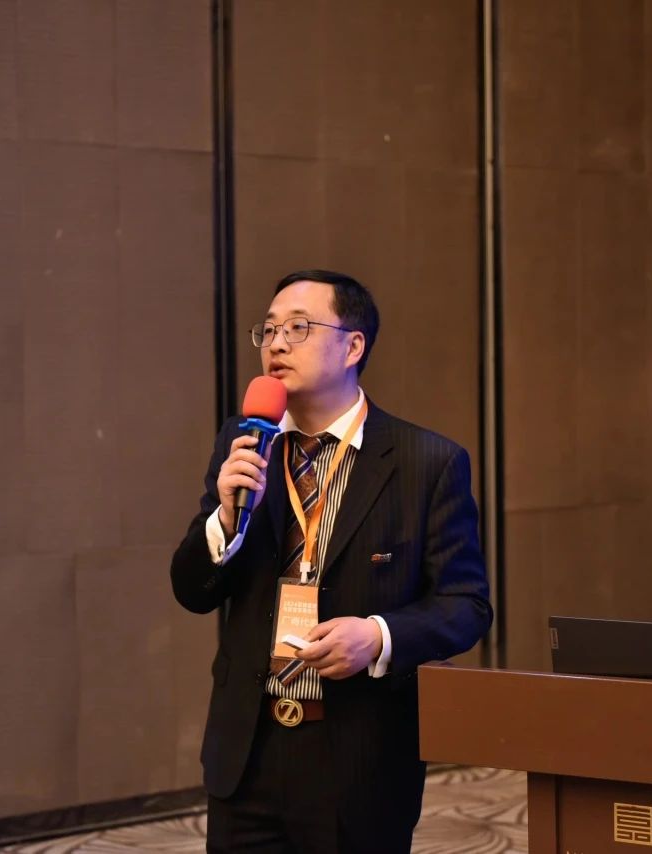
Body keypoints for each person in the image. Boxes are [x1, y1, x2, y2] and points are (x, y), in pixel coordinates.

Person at [170, 269, 491, 853]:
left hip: (359, 757)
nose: (276, 344)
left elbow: (466, 605)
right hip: (247, 753)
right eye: (268, 330)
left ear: (353, 346)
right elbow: (192, 590)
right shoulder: (245, 444)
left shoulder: (426, 462)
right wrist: (224, 517)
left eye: (298, 328)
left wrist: (378, 636)